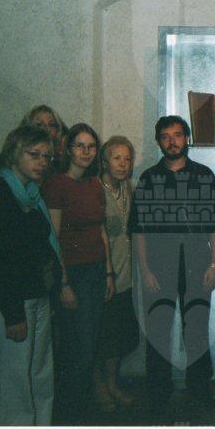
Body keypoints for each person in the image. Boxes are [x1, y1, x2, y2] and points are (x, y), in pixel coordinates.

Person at [132, 115, 215, 417]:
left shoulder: (204, 176)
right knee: (157, 330)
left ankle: (200, 388)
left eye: (177, 135)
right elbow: (138, 231)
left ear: (187, 138)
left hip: (197, 264)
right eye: (165, 136)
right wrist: (144, 271)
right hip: (159, 267)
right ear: (159, 142)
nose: (172, 141)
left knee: (197, 329)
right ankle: (158, 392)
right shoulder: (148, 179)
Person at [0, 125, 60, 425]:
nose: (42, 162)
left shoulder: (31, 193)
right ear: (14, 154)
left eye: (47, 157)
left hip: (35, 294)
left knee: (39, 376)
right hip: (9, 301)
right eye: (33, 154)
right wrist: (12, 313)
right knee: (10, 383)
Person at [42, 123, 114, 422]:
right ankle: (69, 414)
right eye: (80, 146)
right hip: (72, 274)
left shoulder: (95, 184)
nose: (86, 152)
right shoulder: (56, 184)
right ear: (68, 149)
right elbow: (53, 238)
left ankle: (80, 410)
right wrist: (63, 283)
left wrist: (108, 273)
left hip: (96, 271)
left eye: (91, 146)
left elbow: (101, 231)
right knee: (77, 348)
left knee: (90, 342)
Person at [93, 136, 140, 412]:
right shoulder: (95, 190)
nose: (123, 164)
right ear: (104, 161)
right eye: (116, 158)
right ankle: (99, 387)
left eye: (127, 158)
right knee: (101, 336)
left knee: (119, 337)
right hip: (102, 277)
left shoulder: (128, 189)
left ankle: (112, 384)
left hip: (126, 277)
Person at [21, 105, 68, 176]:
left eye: (51, 125)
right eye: (39, 125)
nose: (47, 129)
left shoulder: (61, 159)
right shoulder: (23, 157)